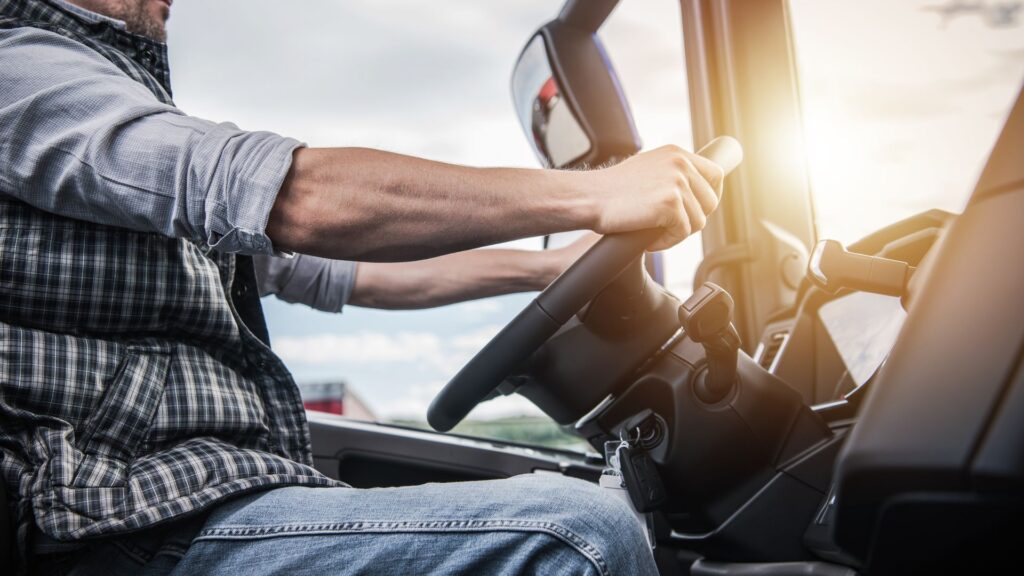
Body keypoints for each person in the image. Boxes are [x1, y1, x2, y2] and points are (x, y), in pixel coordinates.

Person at [0, 0, 724, 574]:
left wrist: (547, 267)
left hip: (199, 503)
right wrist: (592, 197)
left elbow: (356, 271)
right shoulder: (21, 66)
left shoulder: (113, 114)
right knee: (578, 537)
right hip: (120, 527)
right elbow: (297, 199)